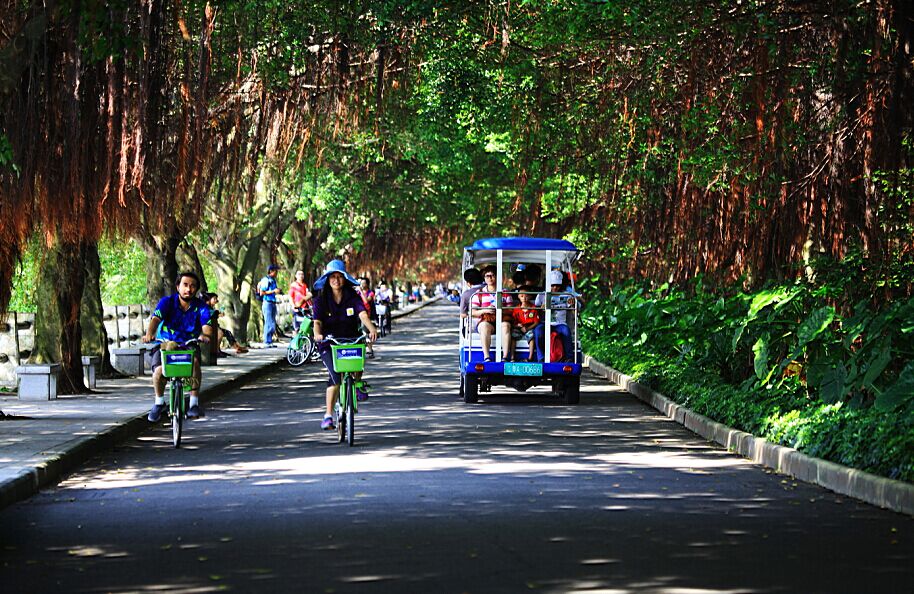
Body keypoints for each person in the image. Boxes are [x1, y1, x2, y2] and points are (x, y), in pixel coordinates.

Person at [312, 260, 379, 430]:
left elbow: (363, 315)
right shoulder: (320, 300)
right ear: (327, 280)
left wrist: (372, 329)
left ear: (345, 278)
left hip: (351, 338)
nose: (336, 280)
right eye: (332, 277)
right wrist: (317, 335)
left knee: (358, 359)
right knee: (335, 374)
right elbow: (317, 323)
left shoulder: (353, 297)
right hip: (328, 342)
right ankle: (328, 415)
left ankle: (356, 384)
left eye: (339, 276)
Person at [145, 272, 214, 421]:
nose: (188, 289)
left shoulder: (201, 307)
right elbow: (155, 319)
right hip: (164, 343)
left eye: (193, 286)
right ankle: (159, 402)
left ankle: (194, 404)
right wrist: (149, 334)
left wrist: (205, 336)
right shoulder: (167, 302)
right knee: (159, 371)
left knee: (194, 364)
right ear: (178, 287)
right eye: (185, 285)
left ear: (196, 290)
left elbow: (207, 326)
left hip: (188, 344)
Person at [533, 270, 581, 362]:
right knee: (538, 331)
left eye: (557, 286)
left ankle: (569, 357)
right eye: (552, 285)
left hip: (560, 324)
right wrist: (541, 309)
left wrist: (572, 305)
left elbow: (574, 312)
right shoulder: (541, 296)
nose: (555, 288)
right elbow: (535, 312)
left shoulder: (567, 296)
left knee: (566, 331)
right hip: (545, 323)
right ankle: (541, 357)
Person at [469, 265, 514, 362]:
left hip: (502, 319)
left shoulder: (505, 292)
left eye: (492, 275)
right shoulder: (479, 293)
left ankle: (505, 357)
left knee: (506, 325)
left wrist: (500, 309)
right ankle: (487, 357)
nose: (490, 278)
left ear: (497, 277)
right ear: (484, 278)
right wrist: (485, 310)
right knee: (484, 326)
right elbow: (472, 312)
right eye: (487, 276)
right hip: (487, 320)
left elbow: (511, 310)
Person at [511, 289, 541, 362]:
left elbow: (536, 322)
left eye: (526, 296)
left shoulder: (533, 308)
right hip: (519, 328)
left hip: (529, 328)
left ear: (530, 296)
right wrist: (518, 326)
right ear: (518, 297)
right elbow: (513, 322)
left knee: (532, 336)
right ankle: (512, 357)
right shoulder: (516, 309)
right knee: (513, 335)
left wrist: (527, 328)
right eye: (522, 296)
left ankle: (530, 358)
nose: (524, 298)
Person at [257, 264, 282, 347]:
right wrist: (273, 291)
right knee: (269, 322)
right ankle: (266, 341)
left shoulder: (273, 280)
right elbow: (262, 292)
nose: (277, 273)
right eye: (276, 271)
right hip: (267, 303)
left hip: (273, 302)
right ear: (271, 271)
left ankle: (270, 340)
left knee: (272, 322)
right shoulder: (266, 280)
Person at [358, 279, 377, 358]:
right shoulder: (357, 293)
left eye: (363, 283)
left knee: (367, 333)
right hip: (358, 315)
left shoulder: (371, 293)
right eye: (361, 283)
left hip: (367, 316)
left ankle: (370, 349)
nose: (362, 285)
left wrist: (361, 292)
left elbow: (366, 301)